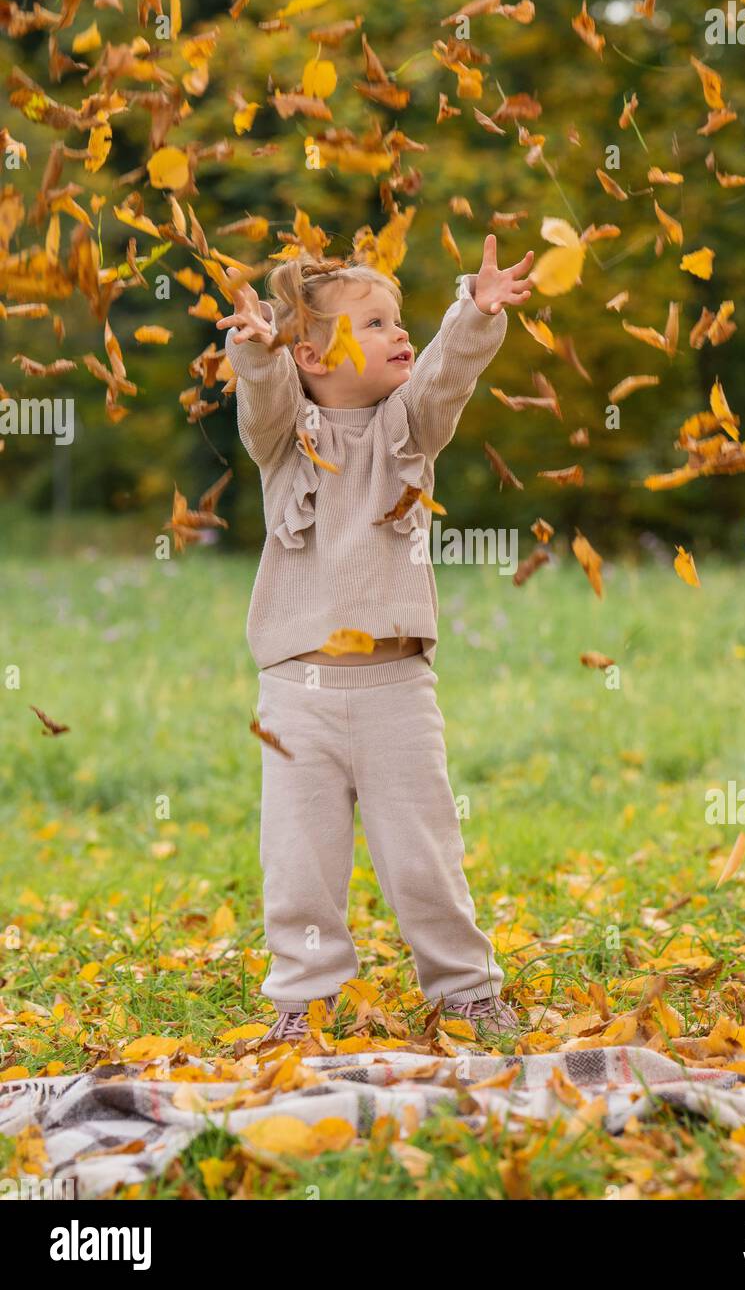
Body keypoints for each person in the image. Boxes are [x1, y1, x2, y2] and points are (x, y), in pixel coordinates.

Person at [217, 234, 534, 1046]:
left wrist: (475, 312)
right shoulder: (287, 444)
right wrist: (257, 355)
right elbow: (263, 401)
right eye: (379, 322)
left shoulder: (410, 430)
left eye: (400, 319)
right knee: (300, 865)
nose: (401, 334)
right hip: (298, 695)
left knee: (424, 856)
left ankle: (464, 990)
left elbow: (444, 373)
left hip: (397, 691)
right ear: (315, 355)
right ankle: (307, 1001)